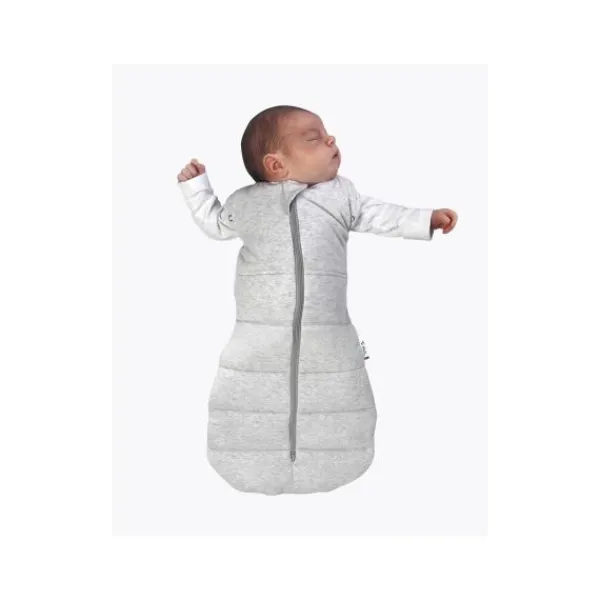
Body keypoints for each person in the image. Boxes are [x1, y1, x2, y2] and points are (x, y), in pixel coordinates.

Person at [175, 105, 458, 495]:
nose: (330, 140)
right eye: (314, 138)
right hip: (258, 336)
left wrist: (425, 219)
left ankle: (331, 462)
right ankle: (251, 461)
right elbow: (216, 224)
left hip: (328, 332)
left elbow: (381, 215)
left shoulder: (340, 196)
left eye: (326, 134)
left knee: (334, 394)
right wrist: (197, 189)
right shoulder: (246, 203)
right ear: (276, 165)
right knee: (251, 395)